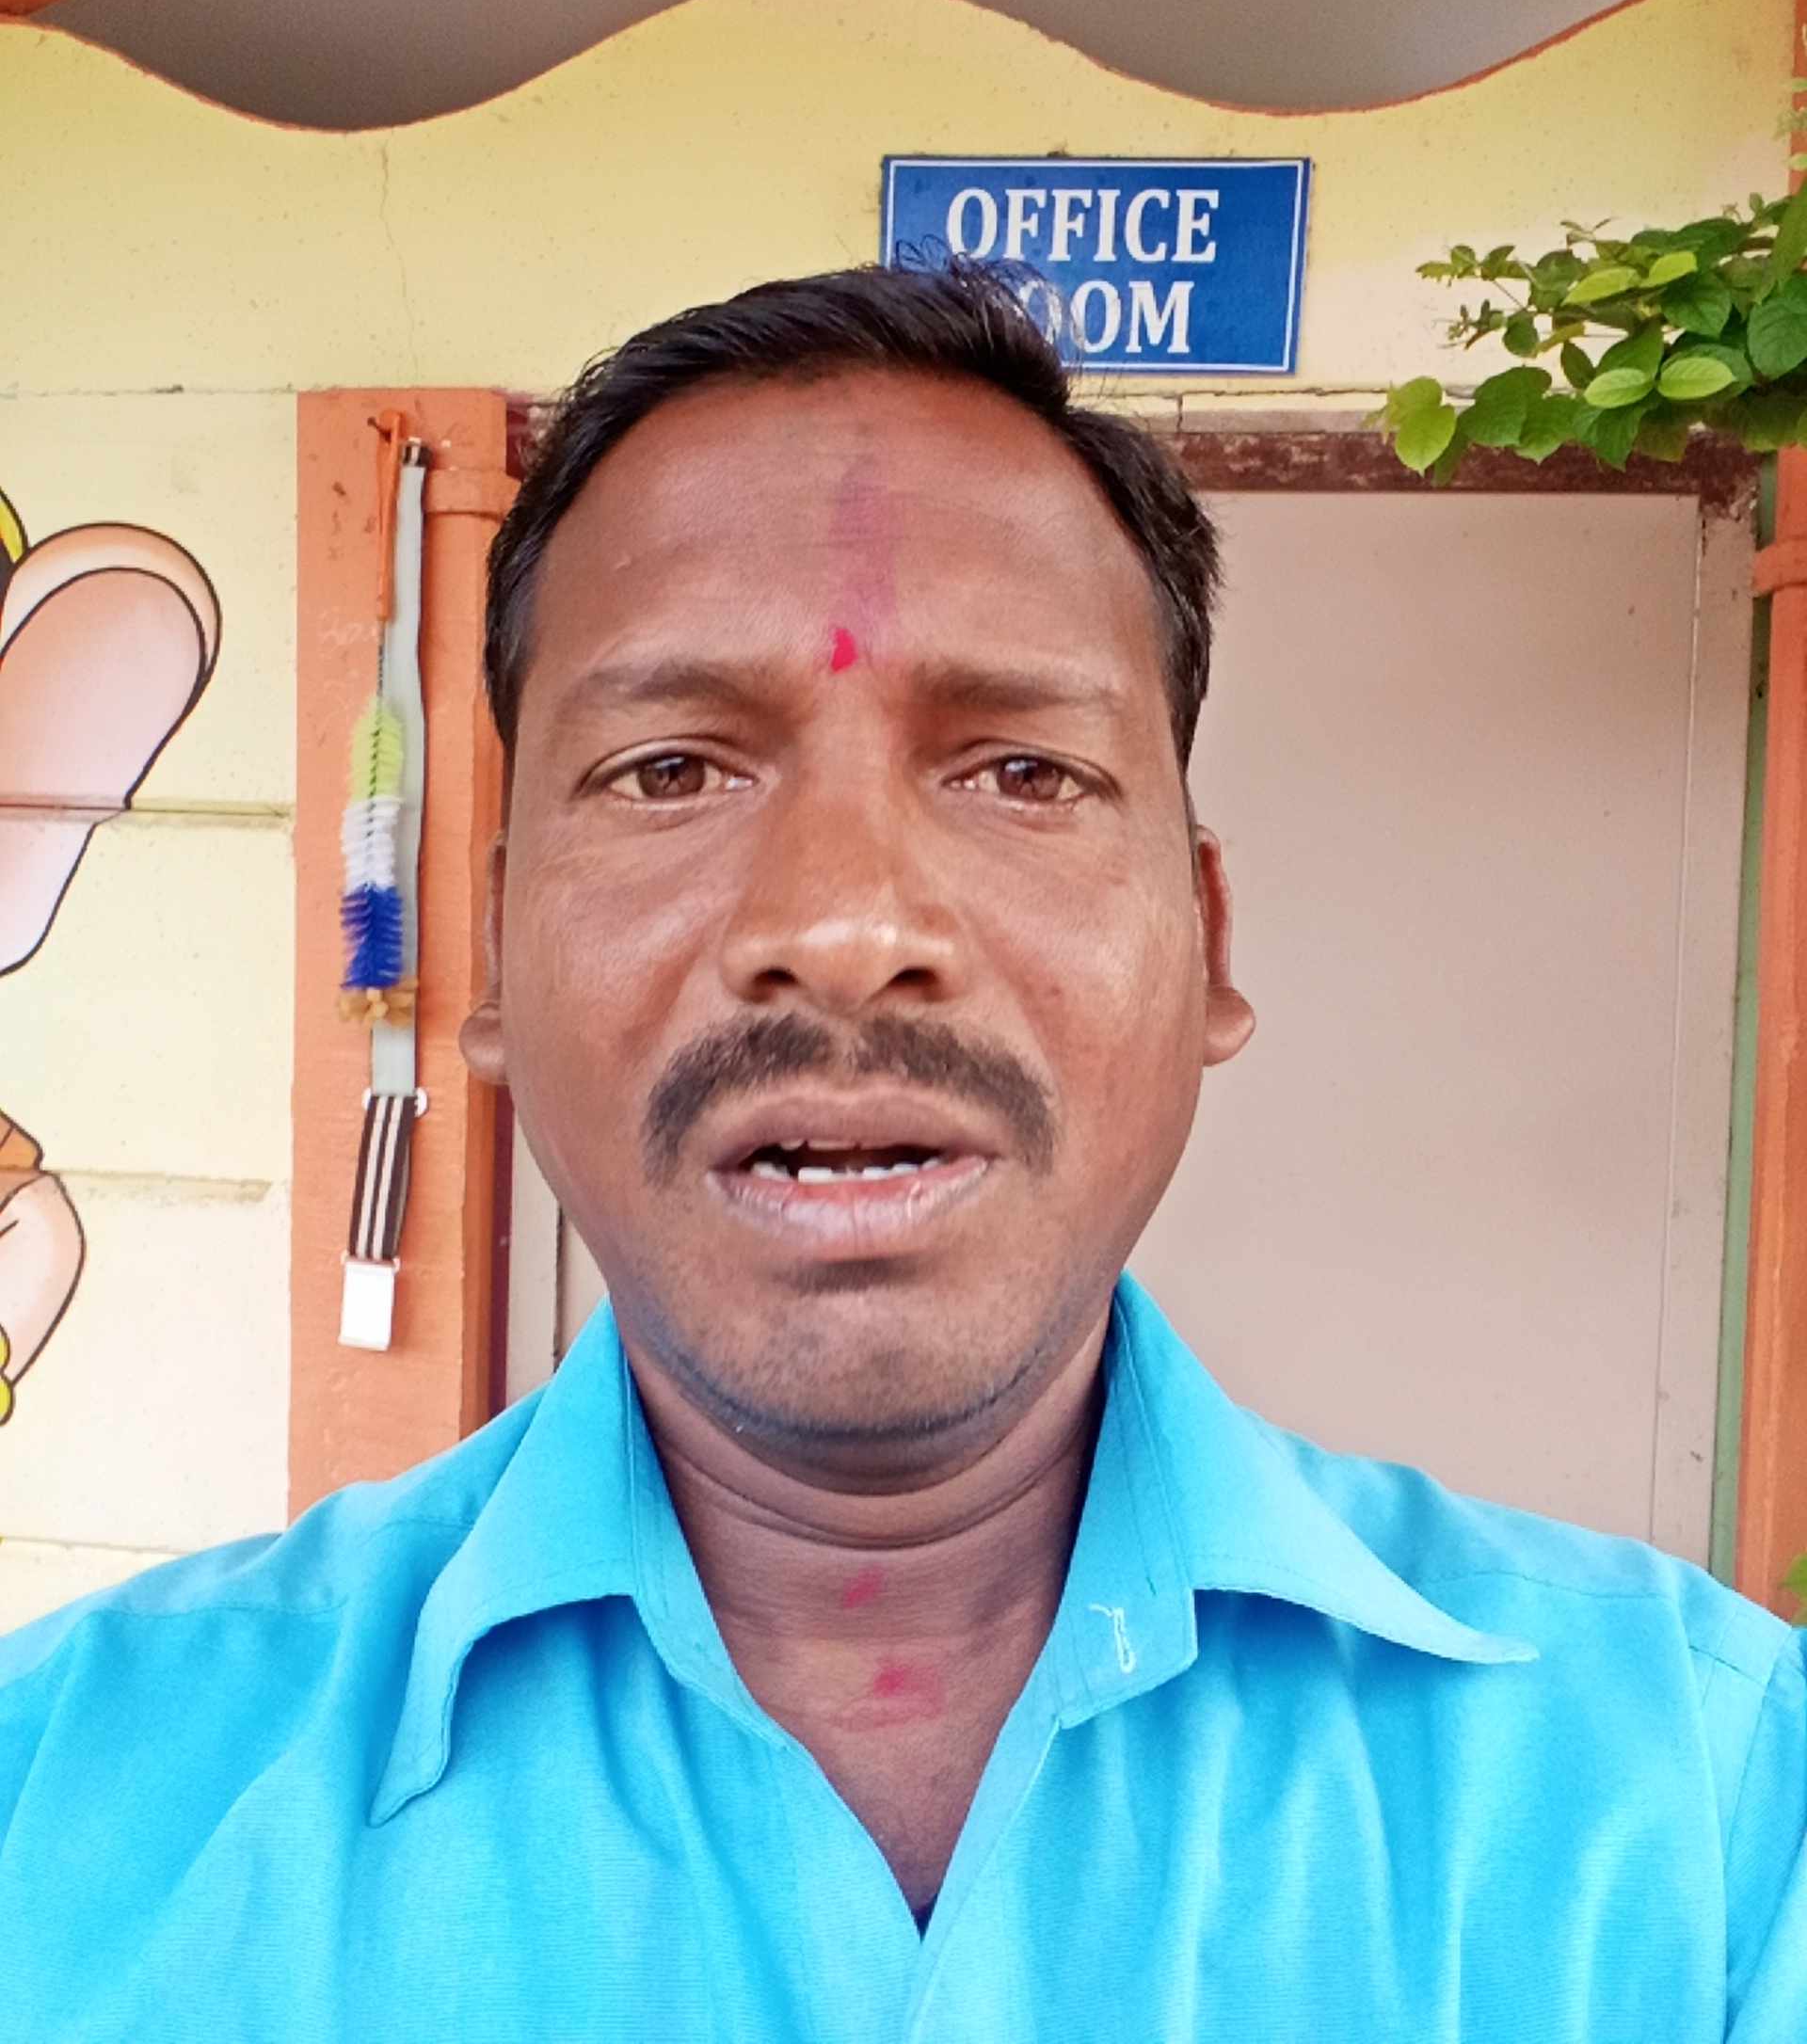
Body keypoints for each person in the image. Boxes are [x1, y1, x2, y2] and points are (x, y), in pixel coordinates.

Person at [1, 264, 1800, 2037]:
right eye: (670, 770)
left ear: (1206, 945)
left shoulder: (1717, 1818)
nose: (848, 929)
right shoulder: (56, 1816)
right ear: (490, 958)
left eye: (1022, 771)